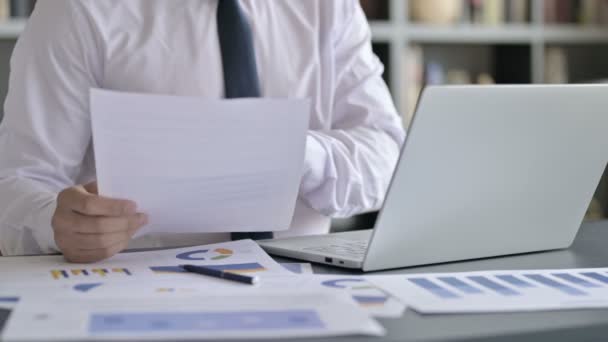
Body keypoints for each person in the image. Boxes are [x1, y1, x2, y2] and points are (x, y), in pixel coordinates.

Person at [0, 0, 405, 262]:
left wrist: (297, 152)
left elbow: (388, 157)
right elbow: (17, 183)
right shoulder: (77, 10)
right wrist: (53, 222)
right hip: (136, 290)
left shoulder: (329, 8)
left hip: (303, 285)